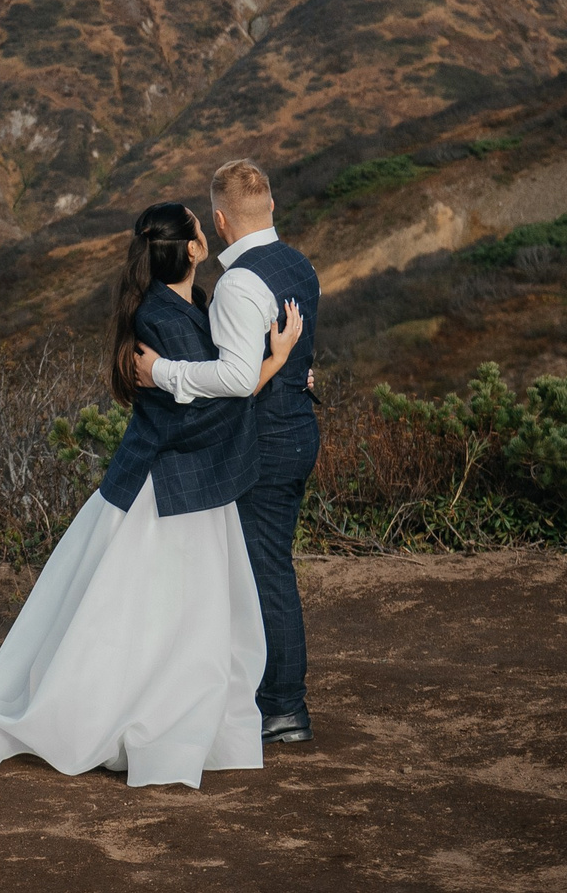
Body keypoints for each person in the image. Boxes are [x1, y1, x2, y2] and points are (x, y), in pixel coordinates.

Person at [0, 202, 304, 789]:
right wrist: (275, 364)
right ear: (192, 249)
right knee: (149, 619)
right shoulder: (161, 319)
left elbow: (216, 380)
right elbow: (200, 417)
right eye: (200, 228)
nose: (207, 233)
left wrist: (272, 367)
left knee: (158, 619)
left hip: (183, 490)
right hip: (165, 492)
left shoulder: (187, 304)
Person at [134, 157, 322, 745]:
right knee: (264, 569)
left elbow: (238, 379)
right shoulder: (299, 264)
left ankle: (283, 706)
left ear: (218, 221)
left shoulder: (239, 283)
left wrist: (163, 370)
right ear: (270, 206)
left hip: (263, 443)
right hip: (297, 432)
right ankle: (260, 693)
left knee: (265, 573)